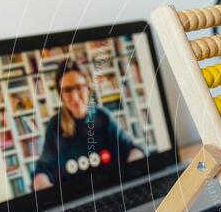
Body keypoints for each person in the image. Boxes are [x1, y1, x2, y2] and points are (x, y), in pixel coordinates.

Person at [33, 60, 143, 190]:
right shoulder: (54, 126)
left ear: (88, 88)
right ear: (60, 95)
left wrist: (134, 166)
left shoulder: (103, 116)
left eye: (79, 87)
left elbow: (132, 149)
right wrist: (41, 182)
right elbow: (43, 169)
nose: (75, 97)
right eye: (67, 90)